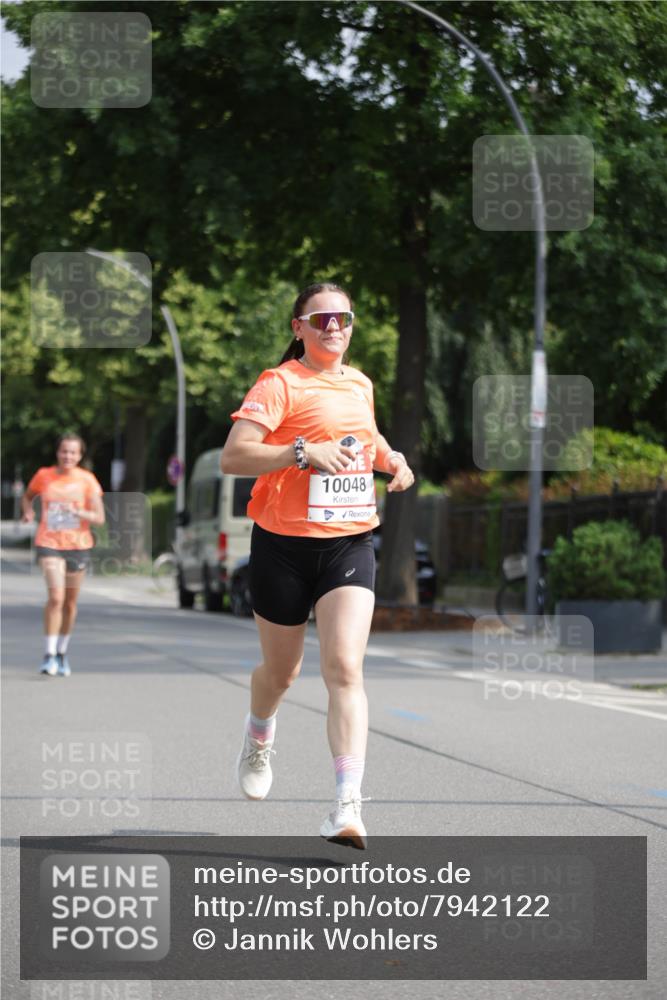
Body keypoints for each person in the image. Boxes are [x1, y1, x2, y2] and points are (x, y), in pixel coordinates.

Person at [221, 282, 414, 848]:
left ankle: (346, 806)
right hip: (282, 545)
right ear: (298, 327)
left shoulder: (360, 383)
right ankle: (259, 735)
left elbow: (366, 437)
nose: (334, 326)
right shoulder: (278, 384)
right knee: (281, 675)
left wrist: (392, 458)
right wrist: (300, 452)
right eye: (321, 318)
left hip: (349, 543)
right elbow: (235, 455)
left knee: (346, 669)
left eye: (343, 317)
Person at [21, 433, 105, 677]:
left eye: (73, 452)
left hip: (78, 545)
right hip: (49, 542)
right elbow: (27, 498)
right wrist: (28, 512)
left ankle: (61, 652)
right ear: (57, 453)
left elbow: (99, 518)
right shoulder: (43, 476)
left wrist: (78, 512)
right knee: (56, 598)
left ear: (80, 456)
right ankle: (48, 656)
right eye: (63, 451)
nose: (67, 456)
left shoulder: (87, 480)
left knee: (70, 603)